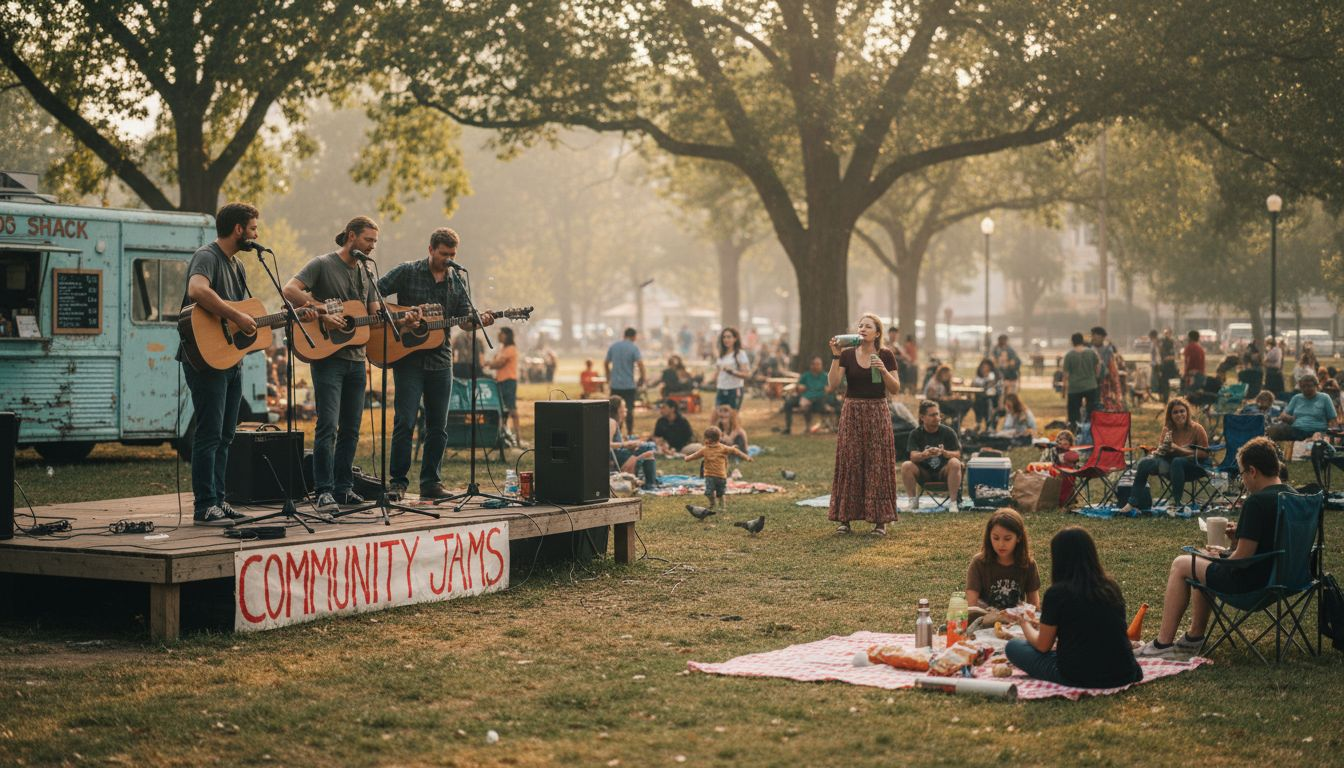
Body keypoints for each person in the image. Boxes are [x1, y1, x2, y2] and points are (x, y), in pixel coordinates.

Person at [1138, 437, 1292, 657]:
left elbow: (1241, 560)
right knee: (1203, 560)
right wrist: (1237, 540)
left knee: (1183, 563)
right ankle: (1193, 637)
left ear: (1253, 471)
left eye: (1241, 474)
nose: (1243, 480)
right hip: (1287, 578)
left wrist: (1219, 558)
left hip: (1254, 583)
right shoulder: (1295, 496)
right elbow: (1272, 538)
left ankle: (1163, 644)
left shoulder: (1256, 502)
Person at [376, 227, 495, 499]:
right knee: (405, 421)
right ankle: (398, 482)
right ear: (430, 249)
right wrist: (401, 317)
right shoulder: (407, 272)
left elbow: (464, 321)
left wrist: (480, 321)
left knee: (438, 425)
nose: (448, 259)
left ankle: (431, 483)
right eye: (444, 254)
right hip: (407, 357)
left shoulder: (456, 281)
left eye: (452, 254)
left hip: (441, 359)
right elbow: (373, 294)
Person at [283, 216, 390, 512]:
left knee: (351, 428)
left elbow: (371, 313)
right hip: (328, 359)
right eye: (368, 240)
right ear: (351, 236)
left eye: (375, 242)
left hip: (357, 362)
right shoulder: (323, 264)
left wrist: (400, 318)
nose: (372, 247)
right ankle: (323, 490)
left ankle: (344, 488)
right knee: (328, 425)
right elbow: (289, 290)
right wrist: (319, 312)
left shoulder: (367, 273)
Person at [177, 202, 270, 525]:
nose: (257, 234)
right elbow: (197, 290)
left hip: (231, 359)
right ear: (239, 229)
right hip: (204, 359)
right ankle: (205, 505)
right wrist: (235, 315)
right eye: (254, 228)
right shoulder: (208, 256)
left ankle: (219, 499)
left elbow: (245, 316)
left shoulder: (237, 266)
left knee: (227, 434)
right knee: (209, 433)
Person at [1006, 527, 1143, 688]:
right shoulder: (1111, 587)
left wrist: (1024, 623)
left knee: (1013, 646)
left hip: (1079, 675)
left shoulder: (1057, 593)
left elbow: (1043, 646)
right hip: (1125, 672)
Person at [827, 313, 902, 534]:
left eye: (868, 326)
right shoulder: (848, 355)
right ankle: (845, 518)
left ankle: (880, 520)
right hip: (852, 411)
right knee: (850, 461)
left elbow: (895, 388)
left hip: (877, 411)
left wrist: (883, 370)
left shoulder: (886, 355)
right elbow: (832, 384)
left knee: (877, 463)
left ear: (877, 333)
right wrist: (835, 356)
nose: (862, 328)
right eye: (860, 325)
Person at [1118, 397, 1209, 515]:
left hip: (1194, 467)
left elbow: (1205, 453)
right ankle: (1132, 502)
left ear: (1187, 412)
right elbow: (1162, 453)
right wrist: (1161, 451)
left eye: (1182, 411)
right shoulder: (1168, 430)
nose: (1179, 414)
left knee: (1177, 461)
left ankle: (1177, 503)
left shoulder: (1197, 428)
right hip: (1170, 468)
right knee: (1144, 463)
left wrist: (1179, 449)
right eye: (1175, 412)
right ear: (1170, 415)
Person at [966, 509, 1041, 612]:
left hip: (1017, 624)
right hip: (985, 622)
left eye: (1007, 538)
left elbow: (1034, 606)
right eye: (996, 538)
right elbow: (971, 606)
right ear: (989, 537)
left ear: (1018, 537)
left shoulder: (1028, 564)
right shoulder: (978, 563)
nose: (1001, 544)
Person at [902, 400, 964, 510]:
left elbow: (958, 454)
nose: (936, 417)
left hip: (943, 472)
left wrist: (945, 453)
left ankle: (953, 503)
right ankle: (913, 502)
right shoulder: (915, 433)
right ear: (922, 417)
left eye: (937, 414)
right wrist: (924, 454)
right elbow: (913, 456)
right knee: (906, 465)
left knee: (955, 462)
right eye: (932, 415)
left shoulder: (948, 432)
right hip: (924, 473)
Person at [684, 425, 752, 509]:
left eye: (705, 438)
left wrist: (746, 457)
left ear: (709, 440)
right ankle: (712, 503)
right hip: (709, 475)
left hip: (721, 476)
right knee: (709, 492)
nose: (704, 440)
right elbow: (696, 455)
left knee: (720, 493)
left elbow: (735, 451)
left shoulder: (722, 448)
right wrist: (688, 458)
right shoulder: (705, 449)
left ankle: (722, 506)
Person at [1267, 373, 1338, 441]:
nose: (1306, 389)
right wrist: (1286, 417)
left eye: (1309, 386)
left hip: (1316, 431)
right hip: (1296, 429)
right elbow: (1285, 414)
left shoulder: (1324, 398)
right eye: (1303, 386)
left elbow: (1333, 419)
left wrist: (1328, 434)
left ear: (1316, 386)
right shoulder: (1296, 398)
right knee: (1273, 430)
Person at [608, 396, 658, 490]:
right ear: (618, 409)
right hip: (616, 456)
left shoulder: (615, 422)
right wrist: (625, 444)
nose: (626, 409)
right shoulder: (611, 422)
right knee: (649, 446)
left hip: (619, 454)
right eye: (624, 407)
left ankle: (651, 484)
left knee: (648, 450)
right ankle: (650, 484)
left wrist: (629, 444)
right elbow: (606, 444)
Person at [605, 327, 645, 434]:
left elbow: (606, 362)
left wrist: (608, 376)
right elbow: (640, 364)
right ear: (634, 336)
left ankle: (614, 433)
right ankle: (630, 433)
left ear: (624, 335)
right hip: (629, 385)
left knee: (613, 411)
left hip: (616, 384)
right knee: (629, 410)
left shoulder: (614, 346)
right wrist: (642, 377)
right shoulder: (633, 348)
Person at [783, 356, 836, 434]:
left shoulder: (825, 376)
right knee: (788, 403)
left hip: (819, 399)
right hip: (805, 397)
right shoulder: (806, 375)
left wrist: (829, 389)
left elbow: (830, 388)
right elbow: (799, 387)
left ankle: (814, 426)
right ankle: (788, 427)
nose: (818, 366)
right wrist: (799, 387)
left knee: (815, 403)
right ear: (812, 365)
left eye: (819, 364)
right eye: (816, 364)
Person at [488, 326, 521, 444]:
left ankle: (518, 437)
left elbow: (499, 363)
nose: (498, 336)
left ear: (507, 335)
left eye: (501, 333)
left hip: (509, 381)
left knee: (512, 409)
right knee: (503, 410)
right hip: (501, 381)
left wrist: (487, 364)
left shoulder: (511, 349)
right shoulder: (502, 348)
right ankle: (503, 436)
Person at [1061, 332, 1101, 429]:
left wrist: (1063, 390)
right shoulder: (1091, 352)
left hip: (1075, 388)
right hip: (1091, 385)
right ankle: (1092, 429)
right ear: (1082, 341)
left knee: (1073, 413)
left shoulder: (1069, 355)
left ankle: (1075, 430)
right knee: (1092, 411)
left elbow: (1065, 375)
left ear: (1072, 342)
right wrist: (1095, 377)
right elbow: (1098, 366)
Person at [714, 327, 752, 410]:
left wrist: (732, 372)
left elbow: (747, 374)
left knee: (732, 417)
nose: (726, 339)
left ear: (735, 338)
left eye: (729, 337)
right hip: (721, 388)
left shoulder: (740, 354)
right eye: (724, 337)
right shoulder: (721, 354)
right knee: (717, 416)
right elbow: (718, 371)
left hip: (734, 390)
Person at [970, 357, 1001, 431]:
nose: (985, 369)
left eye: (987, 367)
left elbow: (992, 387)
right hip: (980, 400)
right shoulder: (978, 377)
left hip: (993, 399)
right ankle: (980, 423)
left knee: (986, 402)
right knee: (978, 401)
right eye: (983, 367)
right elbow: (973, 386)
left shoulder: (992, 376)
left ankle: (985, 424)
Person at [1181, 329, 1206, 395]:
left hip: (1193, 376)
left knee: (1184, 392)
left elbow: (1187, 361)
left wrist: (1185, 373)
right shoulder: (1200, 348)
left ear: (1190, 338)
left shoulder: (1189, 347)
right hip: (1201, 375)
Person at [1158, 328, 1179, 403]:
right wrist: (1169, 357)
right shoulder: (1163, 343)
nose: (1166, 335)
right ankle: (1165, 399)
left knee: (1173, 383)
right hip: (1165, 366)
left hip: (1171, 365)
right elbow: (1163, 356)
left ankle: (1171, 398)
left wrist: (1171, 357)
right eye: (1165, 333)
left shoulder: (1172, 342)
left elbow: (1174, 355)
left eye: (1168, 333)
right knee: (1164, 383)